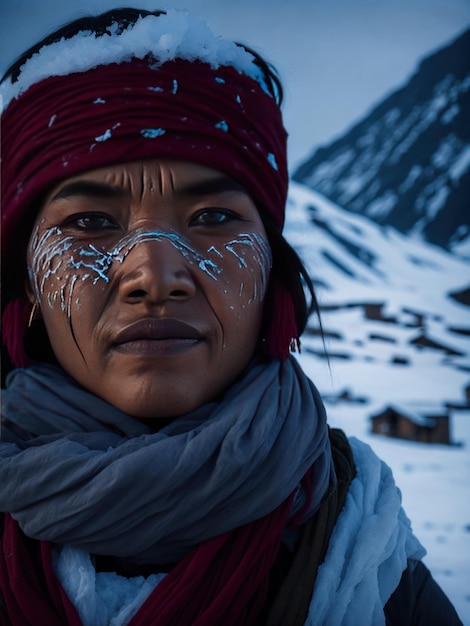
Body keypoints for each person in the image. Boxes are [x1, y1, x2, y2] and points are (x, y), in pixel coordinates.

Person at [0, 8, 463, 626]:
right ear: (26, 281)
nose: (155, 276)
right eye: (89, 223)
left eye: (213, 219)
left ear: (273, 274)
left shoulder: (365, 552)